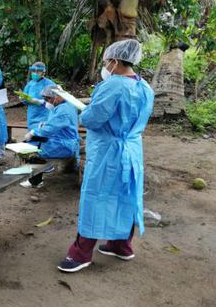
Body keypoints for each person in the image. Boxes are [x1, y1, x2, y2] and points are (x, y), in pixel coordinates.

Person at [57, 39, 154, 272]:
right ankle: (121, 245)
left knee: (95, 197)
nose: (105, 66)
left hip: (108, 152)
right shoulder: (145, 87)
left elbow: (91, 119)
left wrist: (85, 111)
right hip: (132, 150)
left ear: (115, 60)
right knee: (126, 195)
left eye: (106, 61)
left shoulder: (113, 86)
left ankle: (81, 254)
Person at [20, 85, 79, 188]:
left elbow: (49, 129)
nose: (47, 101)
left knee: (33, 152)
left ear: (58, 96)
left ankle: (35, 181)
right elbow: (53, 124)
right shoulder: (65, 105)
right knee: (34, 143)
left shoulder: (63, 110)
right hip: (62, 140)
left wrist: (33, 132)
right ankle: (38, 174)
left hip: (64, 144)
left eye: (48, 98)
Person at [22, 62, 56, 131]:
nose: (35, 73)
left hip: (44, 115)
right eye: (34, 71)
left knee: (43, 133)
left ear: (43, 73)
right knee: (33, 135)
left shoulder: (49, 84)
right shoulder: (30, 84)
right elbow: (24, 96)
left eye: (38, 71)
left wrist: (39, 102)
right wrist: (23, 99)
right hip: (32, 114)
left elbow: (54, 101)